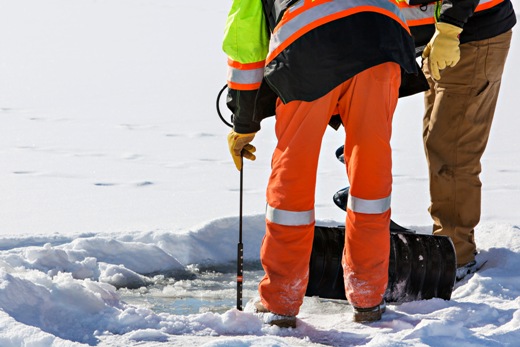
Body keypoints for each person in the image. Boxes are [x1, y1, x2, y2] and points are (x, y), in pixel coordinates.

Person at [222, 0, 420, 326]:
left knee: (293, 173)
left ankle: (281, 300)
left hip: (308, 44)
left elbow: (246, 46)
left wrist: (244, 122)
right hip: (380, 40)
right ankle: (368, 297)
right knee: (371, 170)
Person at [409, 0, 516, 280]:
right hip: (438, 39)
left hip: (467, 34)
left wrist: (449, 25)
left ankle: (456, 257)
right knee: (436, 142)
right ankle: (447, 242)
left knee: (452, 150)